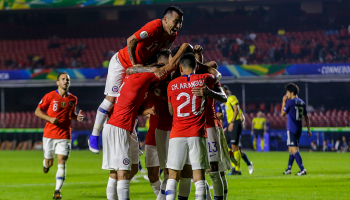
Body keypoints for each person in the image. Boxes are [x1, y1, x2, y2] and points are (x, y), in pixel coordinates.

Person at [102, 43, 191, 200]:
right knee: (124, 172)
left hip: (140, 129)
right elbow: (166, 67)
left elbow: (131, 70)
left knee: (133, 169)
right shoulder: (147, 79)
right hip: (124, 127)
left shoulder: (165, 81)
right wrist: (183, 48)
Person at [89, 6, 183, 153]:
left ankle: (132, 140)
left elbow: (161, 54)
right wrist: (134, 65)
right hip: (121, 63)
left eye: (180, 23)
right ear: (165, 19)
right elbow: (131, 40)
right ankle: (94, 135)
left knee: (137, 101)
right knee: (111, 99)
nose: (178, 26)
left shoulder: (172, 36)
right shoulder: (154, 27)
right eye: (176, 22)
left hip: (141, 67)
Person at [166, 53, 222, 200]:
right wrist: (203, 67)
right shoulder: (204, 79)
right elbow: (218, 75)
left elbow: (171, 110)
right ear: (196, 67)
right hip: (197, 134)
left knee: (172, 177)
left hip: (177, 134)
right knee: (199, 178)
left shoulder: (172, 85)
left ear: (180, 68)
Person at [34, 72, 84, 199]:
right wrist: (49, 118)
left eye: (67, 79)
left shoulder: (73, 99)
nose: (65, 81)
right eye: (63, 79)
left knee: (62, 162)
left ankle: (57, 191)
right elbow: (37, 111)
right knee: (49, 162)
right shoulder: (50, 96)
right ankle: (45, 165)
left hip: (64, 135)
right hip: (49, 135)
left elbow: (70, 114)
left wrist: (76, 116)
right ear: (58, 82)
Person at [222, 85, 253, 175]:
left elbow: (236, 110)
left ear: (227, 91)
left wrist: (232, 122)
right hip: (230, 124)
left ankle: (236, 169)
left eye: (223, 90)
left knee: (235, 147)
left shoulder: (232, 97)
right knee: (224, 145)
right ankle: (244, 164)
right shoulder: (224, 101)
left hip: (235, 123)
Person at [281, 83, 311, 176]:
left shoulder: (290, 102)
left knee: (294, 149)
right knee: (291, 149)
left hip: (291, 128)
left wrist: (283, 102)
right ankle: (289, 169)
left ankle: (302, 169)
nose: (286, 94)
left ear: (292, 93)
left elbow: (282, 113)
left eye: (287, 92)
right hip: (299, 128)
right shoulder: (302, 102)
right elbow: (306, 116)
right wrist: (308, 129)